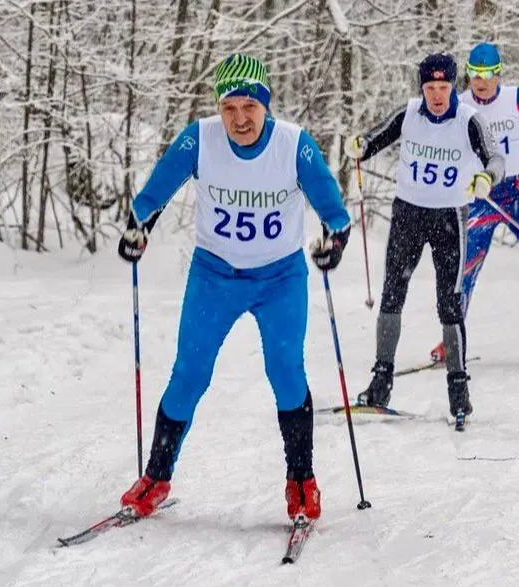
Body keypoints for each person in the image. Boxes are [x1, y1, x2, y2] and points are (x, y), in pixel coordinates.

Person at [115, 54, 351, 521]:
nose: (240, 119)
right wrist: (138, 226)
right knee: (189, 374)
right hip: (215, 275)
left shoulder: (292, 145)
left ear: (266, 105)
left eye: (250, 107)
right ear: (218, 108)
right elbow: (156, 190)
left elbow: (333, 208)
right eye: (230, 108)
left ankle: (301, 479)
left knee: (285, 371)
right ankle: (156, 476)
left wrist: (335, 242)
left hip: (280, 277)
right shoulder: (199, 139)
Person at [344, 53, 505, 421]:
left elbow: (496, 158)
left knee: (449, 303)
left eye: (443, 87)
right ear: (422, 87)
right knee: (392, 295)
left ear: (454, 86)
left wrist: (487, 178)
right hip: (409, 215)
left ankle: (458, 390)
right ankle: (380, 381)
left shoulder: (468, 120)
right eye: (430, 87)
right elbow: (374, 138)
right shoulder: (410, 113)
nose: (436, 94)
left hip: (450, 217)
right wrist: (361, 146)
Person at [426, 42, 519, 363]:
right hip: (479, 194)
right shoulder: (458, 103)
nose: (481, 81)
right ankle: (452, 336)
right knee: (465, 268)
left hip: (517, 191)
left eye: (488, 74)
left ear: (498, 74)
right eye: (475, 74)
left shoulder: (515, 99)